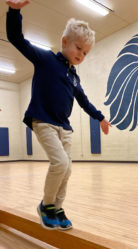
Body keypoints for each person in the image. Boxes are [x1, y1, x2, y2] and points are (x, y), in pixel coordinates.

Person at [6, 0, 112, 230]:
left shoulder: (74, 78)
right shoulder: (45, 60)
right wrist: (14, 11)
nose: (81, 55)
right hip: (43, 121)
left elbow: (84, 101)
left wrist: (100, 117)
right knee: (60, 163)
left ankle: (57, 207)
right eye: (78, 48)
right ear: (64, 42)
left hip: (64, 127)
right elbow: (16, 39)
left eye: (85, 52)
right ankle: (46, 205)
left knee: (68, 168)